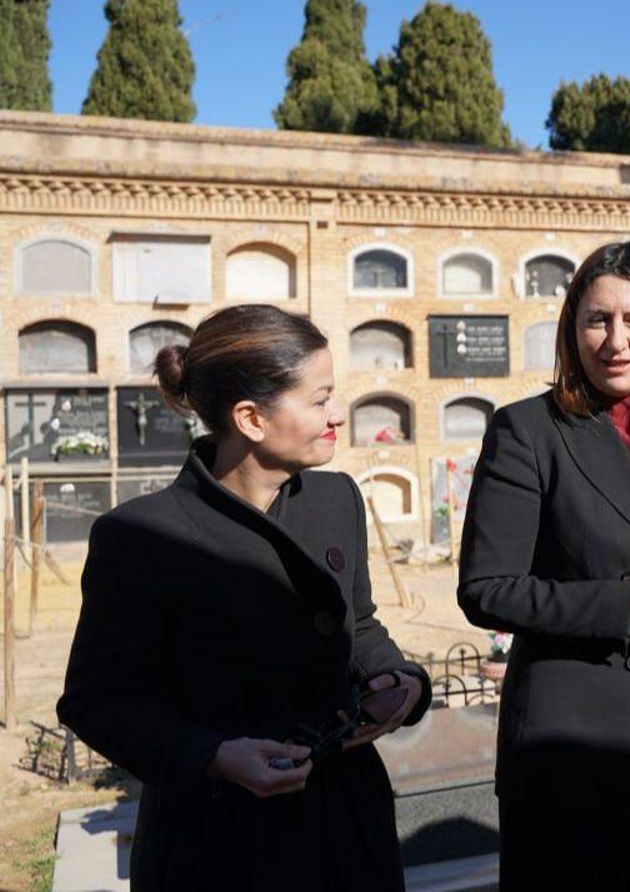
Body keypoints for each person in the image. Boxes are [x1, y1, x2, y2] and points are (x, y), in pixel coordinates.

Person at [57, 304, 430, 891]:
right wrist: (211, 755)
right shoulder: (141, 536)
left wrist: (401, 681)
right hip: (218, 839)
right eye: (318, 400)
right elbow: (96, 702)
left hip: (347, 825)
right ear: (252, 418)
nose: (338, 415)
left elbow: (358, 626)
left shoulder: (336, 499)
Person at [456, 240, 630, 891]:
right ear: (572, 329)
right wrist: (627, 605)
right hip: (573, 755)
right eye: (597, 320)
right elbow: (486, 589)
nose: (616, 341)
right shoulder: (529, 431)